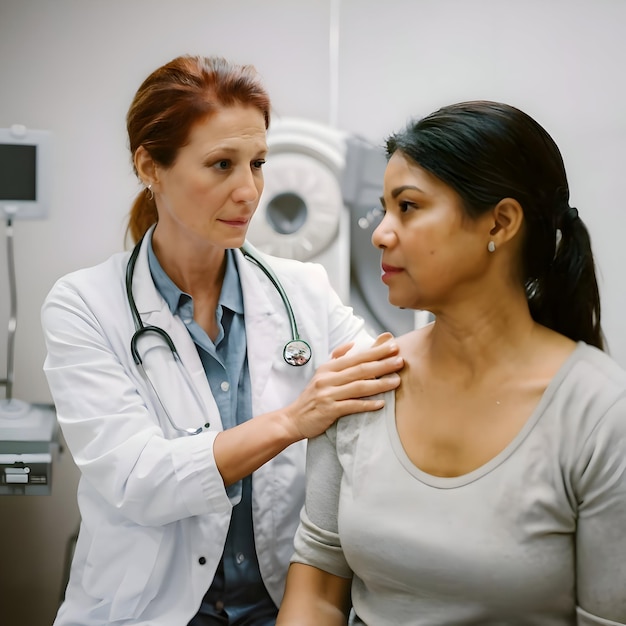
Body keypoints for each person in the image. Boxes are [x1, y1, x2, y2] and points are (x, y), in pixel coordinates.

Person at [41, 54, 404, 626]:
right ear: (149, 166)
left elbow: (389, 387)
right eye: (221, 165)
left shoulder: (302, 292)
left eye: (257, 163)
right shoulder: (85, 305)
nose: (249, 191)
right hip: (150, 611)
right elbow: (140, 479)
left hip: (282, 607)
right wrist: (293, 419)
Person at [276, 100, 626, 625]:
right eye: (385, 208)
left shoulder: (599, 415)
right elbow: (318, 592)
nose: (380, 232)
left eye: (409, 207)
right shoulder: (361, 382)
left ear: (501, 222)